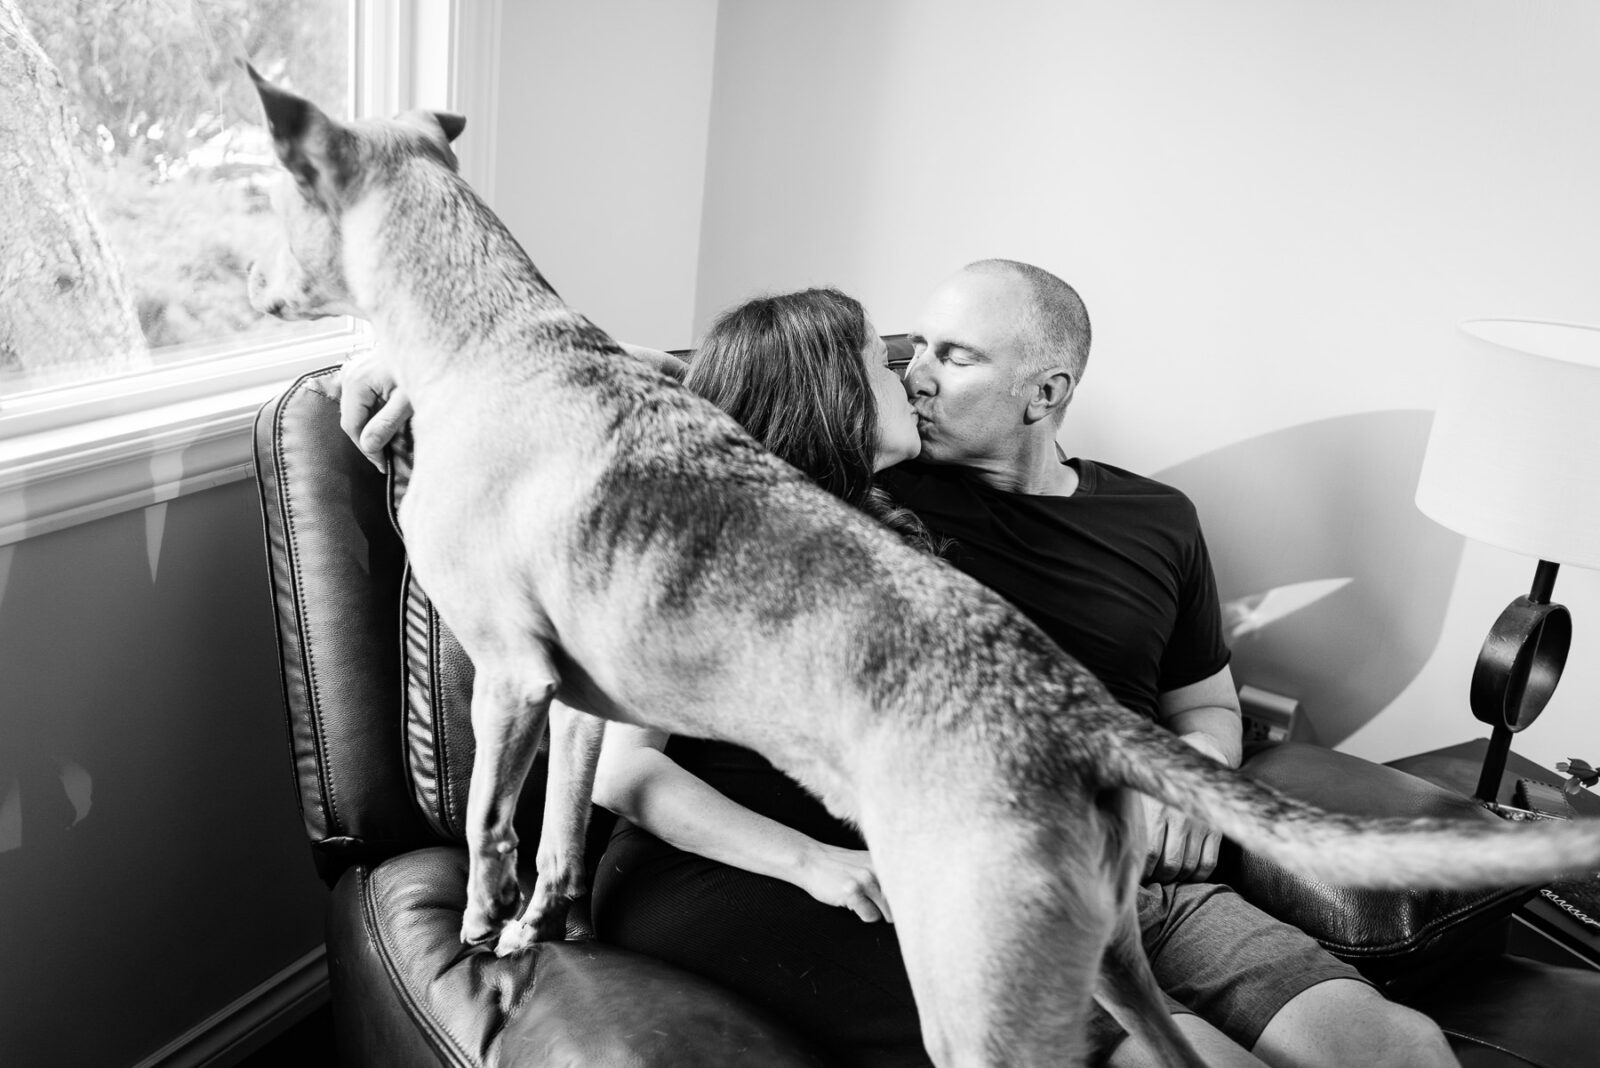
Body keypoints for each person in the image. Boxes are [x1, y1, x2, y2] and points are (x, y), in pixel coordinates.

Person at [331, 271, 1458, 1068]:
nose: (914, 371)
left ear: (1046, 390)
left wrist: (1192, 773)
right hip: (969, 855)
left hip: (1137, 866)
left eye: (948, 354)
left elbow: (1202, 700)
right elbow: (674, 388)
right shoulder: (822, 500)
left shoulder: (1157, 519)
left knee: (1390, 1048)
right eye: (901, 351)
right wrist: (414, 363)